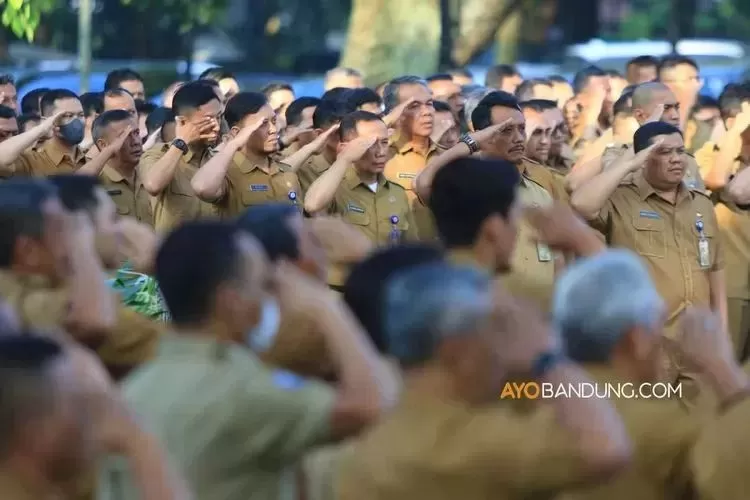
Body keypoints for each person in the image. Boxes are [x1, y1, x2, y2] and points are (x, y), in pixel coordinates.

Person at [98, 221, 395, 500]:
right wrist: (325, 307)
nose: (267, 298)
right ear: (231, 301)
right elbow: (371, 406)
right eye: (262, 285)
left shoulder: (131, 391)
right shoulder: (245, 391)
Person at [336, 262, 632, 500]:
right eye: (496, 335)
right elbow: (607, 449)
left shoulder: (381, 428)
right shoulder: (466, 443)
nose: (504, 353)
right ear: (458, 351)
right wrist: (547, 356)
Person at [554, 249, 750, 499]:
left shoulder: (536, 406)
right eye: (657, 323)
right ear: (636, 341)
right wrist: (725, 374)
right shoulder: (666, 433)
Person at [571, 122, 726, 387]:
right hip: (648, 342)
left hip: (697, 342)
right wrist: (627, 165)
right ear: (642, 158)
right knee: (651, 425)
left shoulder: (701, 203)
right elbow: (580, 203)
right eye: (664, 152)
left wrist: (722, 334)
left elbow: (714, 269)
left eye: (680, 151)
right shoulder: (620, 199)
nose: (676, 159)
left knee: (700, 425)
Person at [424, 157, 601, 313]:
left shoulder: (417, 288)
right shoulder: (513, 298)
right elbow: (616, 307)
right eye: (514, 220)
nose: (516, 231)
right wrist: (585, 242)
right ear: (494, 228)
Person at [47, 175, 163, 378]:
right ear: (84, 229)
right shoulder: (106, 306)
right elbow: (181, 350)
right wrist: (152, 270)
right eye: (114, 219)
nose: (124, 227)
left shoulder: (50, 289)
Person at [0, 179, 116, 342]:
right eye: (65, 229)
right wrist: (83, 245)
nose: (72, 240)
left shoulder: (37, 283)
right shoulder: (15, 301)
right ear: (28, 251)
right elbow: (92, 321)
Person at [191, 92, 332, 217]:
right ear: (236, 132)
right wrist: (234, 143)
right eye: (263, 124)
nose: (273, 129)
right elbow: (202, 188)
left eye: (274, 121)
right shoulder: (227, 172)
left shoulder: (286, 173)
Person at [695, 83, 750, 360]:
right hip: (732, 285)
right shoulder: (707, 154)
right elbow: (719, 180)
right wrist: (736, 137)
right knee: (728, 364)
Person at [304, 111, 416, 246]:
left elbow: (411, 245)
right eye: (370, 144)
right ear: (345, 147)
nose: (380, 152)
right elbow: (312, 206)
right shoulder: (333, 188)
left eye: (385, 142)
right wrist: (345, 158)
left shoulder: (396, 193)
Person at [139, 81, 222, 232]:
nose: (217, 126)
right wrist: (181, 141)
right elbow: (153, 185)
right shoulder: (158, 154)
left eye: (219, 117)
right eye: (209, 120)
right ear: (182, 121)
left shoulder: (219, 160)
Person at [0, 89, 123, 178]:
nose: (76, 121)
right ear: (47, 121)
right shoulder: (31, 160)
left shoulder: (93, 160)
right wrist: (41, 129)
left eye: (80, 115)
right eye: (67, 116)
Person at [382, 76, 440, 240]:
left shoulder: (447, 155)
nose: (427, 112)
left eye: (429, 103)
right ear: (395, 113)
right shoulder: (383, 157)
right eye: (414, 106)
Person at [92, 110, 151, 224]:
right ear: (103, 145)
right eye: (124, 136)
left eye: (136, 133)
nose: (136, 142)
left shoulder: (149, 172)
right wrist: (110, 151)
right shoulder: (95, 180)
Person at [297, 100, 343, 193]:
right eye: (338, 132)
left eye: (351, 130)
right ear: (320, 134)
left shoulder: (362, 163)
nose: (346, 136)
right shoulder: (304, 171)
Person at [570, 66, 612, 157]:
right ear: (580, 98)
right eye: (603, 92)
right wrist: (591, 121)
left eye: (609, 91)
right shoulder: (566, 132)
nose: (610, 98)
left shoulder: (611, 126)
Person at [658, 55, 703, 130]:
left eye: (697, 79)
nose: (698, 84)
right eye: (690, 79)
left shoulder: (704, 127)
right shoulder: (641, 127)